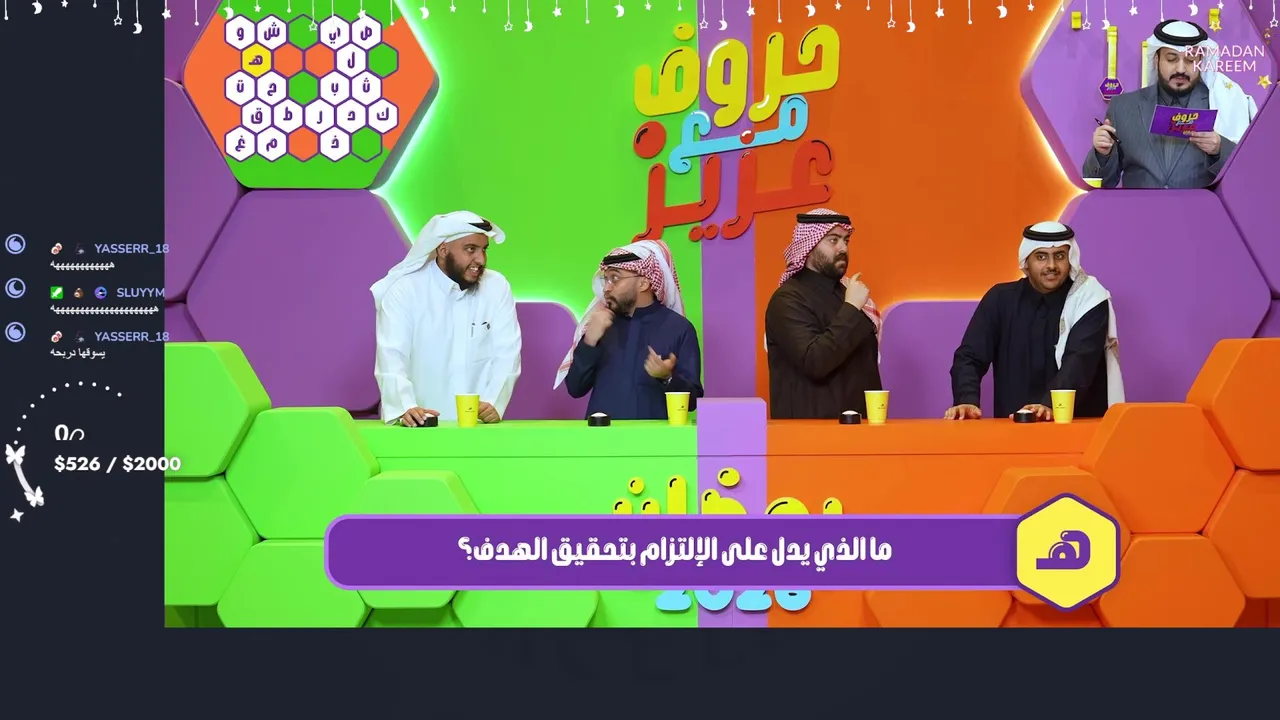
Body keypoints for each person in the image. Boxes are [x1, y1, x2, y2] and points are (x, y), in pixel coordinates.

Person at [945, 221, 1125, 422]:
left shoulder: (1089, 299)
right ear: (1026, 262)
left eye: (1060, 256)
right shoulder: (1001, 300)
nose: (1051, 266)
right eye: (1041, 257)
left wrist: (1049, 405)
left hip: (1076, 426)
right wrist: (966, 400)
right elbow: (969, 357)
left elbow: (1080, 361)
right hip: (1013, 428)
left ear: (1071, 259)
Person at [371, 211, 522, 426]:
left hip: (477, 427)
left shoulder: (496, 286)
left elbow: (507, 352)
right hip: (418, 426)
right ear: (443, 250)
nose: (481, 259)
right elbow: (392, 356)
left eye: (484, 249)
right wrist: (405, 407)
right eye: (470, 249)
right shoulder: (406, 290)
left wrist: (493, 402)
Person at [1082, 19, 1258, 189]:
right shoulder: (1123, 107)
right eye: (1172, 59)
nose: (1181, 69)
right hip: (1139, 209)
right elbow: (1102, 183)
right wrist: (1102, 154)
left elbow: (1247, 176)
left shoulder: (1221, 104)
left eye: (1190, 60)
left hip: (1201, 210)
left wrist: (1220, 148)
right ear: (1156, 60)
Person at [554, 239, 703, 420]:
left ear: (643, 283)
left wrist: (667, 377)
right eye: (605, 279)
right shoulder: (600, 325)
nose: (607, 288)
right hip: (602, 435)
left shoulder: (679, 328)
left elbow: (693, 401)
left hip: (656, 437)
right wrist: (589, 341)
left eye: (615, 278)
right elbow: (575, 388)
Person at [765, 209, 883, 419]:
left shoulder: (850, 294)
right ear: (809, 246)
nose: (843, 248)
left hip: (860, 429)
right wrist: (851, 308)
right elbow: (815, 362)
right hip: (810, 433)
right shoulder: (788, 300)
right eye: (833, 240)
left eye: (846, 240)